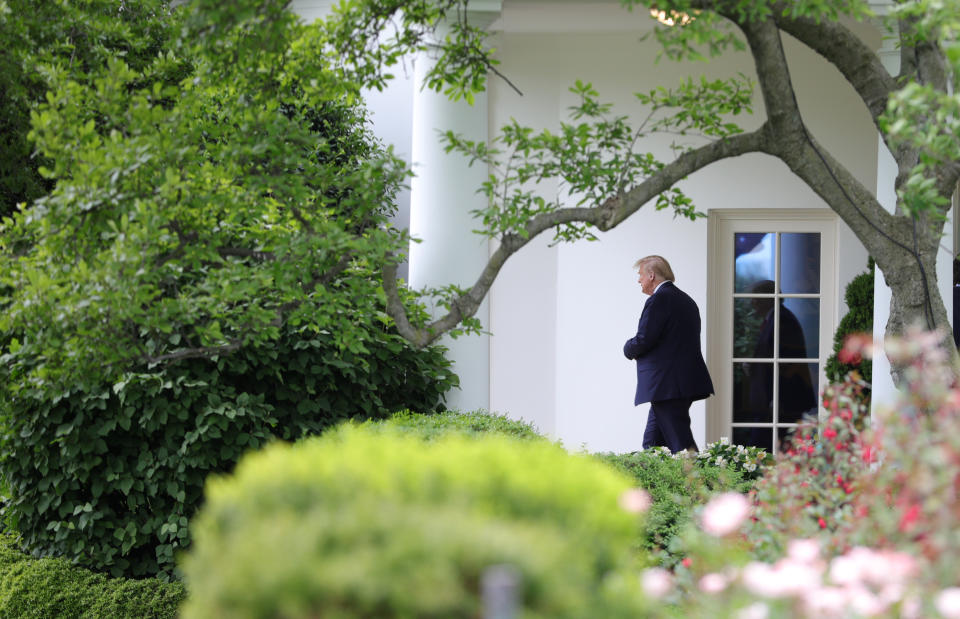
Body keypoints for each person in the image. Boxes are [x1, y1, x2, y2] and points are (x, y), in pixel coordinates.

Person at [623, 255, 714, 453]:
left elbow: (645, 338)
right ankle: (657, 483)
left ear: (652, 275)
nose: (639, 280)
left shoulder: (660, 299)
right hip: (677, 385)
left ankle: (699, 482)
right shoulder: (685, 300)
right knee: (653, 445)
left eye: (640, 275)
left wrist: (627, 348)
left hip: (667, 386)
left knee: (681, 445)